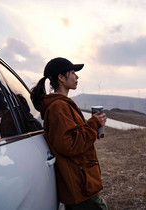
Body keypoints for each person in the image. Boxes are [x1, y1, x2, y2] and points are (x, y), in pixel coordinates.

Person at [30, 57, 109, 210]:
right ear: (61, 77)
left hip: (81, 182)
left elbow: (70, 136)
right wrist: (93, 124)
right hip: (79, 186)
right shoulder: (58, 107)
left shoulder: (60, 104)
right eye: (73, 72)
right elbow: (69, 144)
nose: (77, 77)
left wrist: (92, 130)